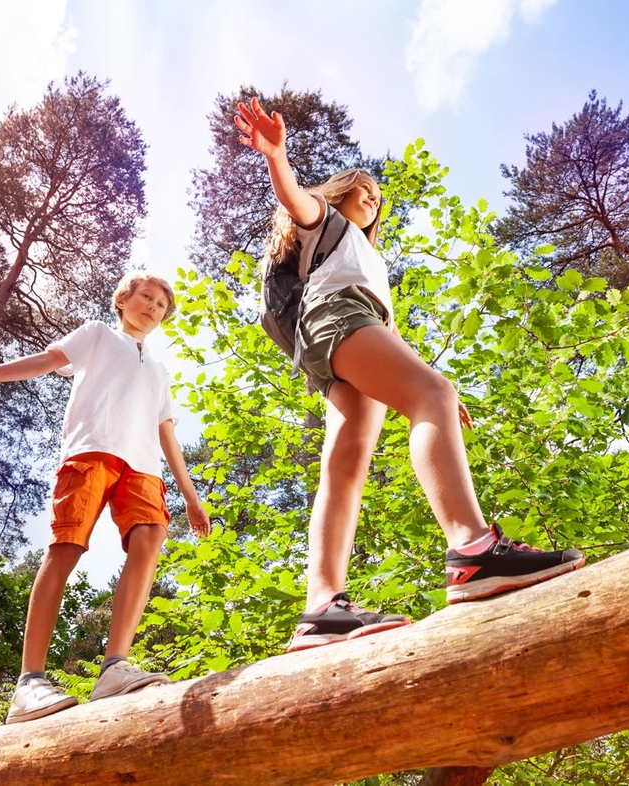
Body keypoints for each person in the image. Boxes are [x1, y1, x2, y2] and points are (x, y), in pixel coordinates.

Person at [233, 97, 585, 652]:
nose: (372, 200)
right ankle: (472, 552)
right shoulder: (326, 225)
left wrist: (429, 388)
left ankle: (320, 607)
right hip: (338, 319)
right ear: (338, 195)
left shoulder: (365, 256)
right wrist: (277, 156)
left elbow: (387, 334)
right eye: (362, 191)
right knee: (429, 397)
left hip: (338, 338)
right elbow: (295, 200)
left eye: (377, 197)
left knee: (345, 466)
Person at [0, 270, 210, 725]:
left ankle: (114, 667)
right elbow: (48, 361)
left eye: (161, 305)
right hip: (92, 451)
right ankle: (29, 681)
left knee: (150, 539)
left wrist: (190, 496)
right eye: (145, 297)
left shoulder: (160, 370)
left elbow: (166, 432)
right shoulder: (97, 336)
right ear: (123, 299)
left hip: (143, 466)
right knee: (67, 547)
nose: (152, 307)